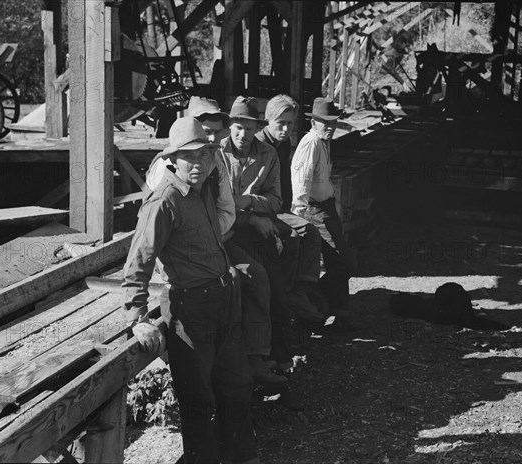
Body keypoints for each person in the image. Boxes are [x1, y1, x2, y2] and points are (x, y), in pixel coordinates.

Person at [122, 117, 259, 463]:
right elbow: (139, 261)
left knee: (237, 387)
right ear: (174, 160)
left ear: (214, 156)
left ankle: (240, 457)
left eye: (204, 155)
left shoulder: (204, 190)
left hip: (224, 300)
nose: (197, 164)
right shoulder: (164, 201)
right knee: (199, 401)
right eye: (188, 157)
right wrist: (137, 317)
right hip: (191, 310)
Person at [146, 97, 287, 388]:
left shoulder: (214, 161)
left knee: (259, 272)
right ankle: (237, 361)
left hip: (218, 242)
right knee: (234, 280)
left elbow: (226, 210)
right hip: (184, 263)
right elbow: (151, 243)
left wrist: (217, 232)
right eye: (203, 129)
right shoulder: (169, 175)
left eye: (213, 132)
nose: (209, 138)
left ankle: (253, 356)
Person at [290, 97, 361, 331]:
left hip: (326, 207)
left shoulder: (324, 141)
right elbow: (301, 178)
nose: (329, 127)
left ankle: (339, 313)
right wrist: (299, 213)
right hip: (313, 209)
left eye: (333, 123)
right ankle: (309, 305)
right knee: (342, 262)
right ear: (314, 122)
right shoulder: (310, 143)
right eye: (324, 122)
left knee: (338, 262)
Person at [256, 94, 325, 317]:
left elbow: (285, 181)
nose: (286, 129)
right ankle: (283, 294)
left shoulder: (282, 144)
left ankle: (300, 291)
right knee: (293, 237)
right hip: (258, 208)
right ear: (268, 120)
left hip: (278, 207)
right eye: (281, 123)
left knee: (311, 232)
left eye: (290, 124)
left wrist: (292, 209)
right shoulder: (259, 145)